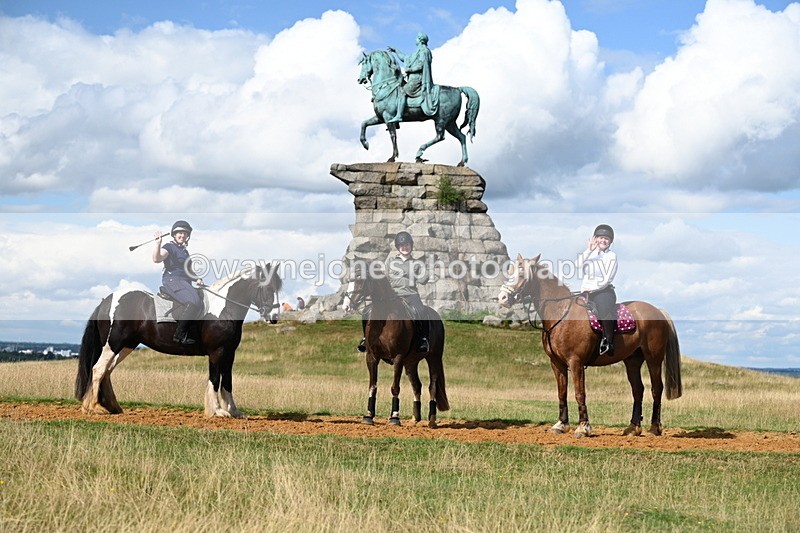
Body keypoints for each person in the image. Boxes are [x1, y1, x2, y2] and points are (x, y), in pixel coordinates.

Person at [357, 231, 431, 353]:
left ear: (411, 246)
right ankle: (366, 339)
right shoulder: (390, 260)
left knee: (421, 311)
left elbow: (424, 279)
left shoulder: (417, 263)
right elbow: (384, 276)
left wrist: (416, 272)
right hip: (392, 295)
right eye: (402, 245)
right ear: (398, 247)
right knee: (366, 311)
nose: (405, 247)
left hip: (410, 295)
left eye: (407, 245)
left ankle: (423, 340)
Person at [153, 220, 204, 345]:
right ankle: (179, 335)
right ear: (174, 235)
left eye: (185, 234)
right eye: (180, 233)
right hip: (173, 280)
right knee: (193, 302)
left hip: (185, 281)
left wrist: (197, 278)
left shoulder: (185, 251)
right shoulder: (169, 247)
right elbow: (156, 258)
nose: (183, 235)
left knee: (200, 298)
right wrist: (158, 244)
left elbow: (188, 271)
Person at [579, 224, 618, 356]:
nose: (603, 240)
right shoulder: (590, 253)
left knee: (603, 310)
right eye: (601, 238)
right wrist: (588, 250)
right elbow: (577, 265)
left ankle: (608, 342)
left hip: (603, 292)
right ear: (595, 239)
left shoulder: (611, 256)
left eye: (606, 238)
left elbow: (607, 279)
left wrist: (591, 289)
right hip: (585, 292)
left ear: (610, 241)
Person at [387, 32, 439, 123]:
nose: (415, 40)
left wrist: (409, 69)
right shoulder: (417, 51)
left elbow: (421, 65)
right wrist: (396, 51)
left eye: (417, 38)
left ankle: (399, 115)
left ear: (420, 40)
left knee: (402, 91)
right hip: (412, 79)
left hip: (417, 79)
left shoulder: (424, 51)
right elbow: (405, 58)